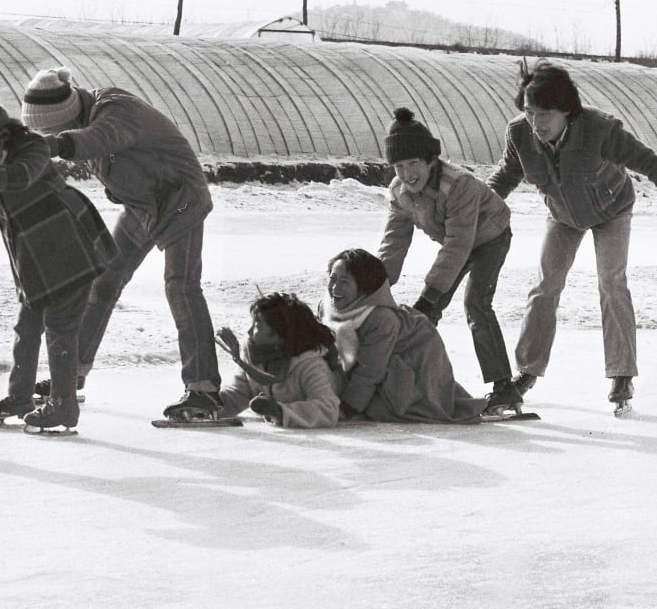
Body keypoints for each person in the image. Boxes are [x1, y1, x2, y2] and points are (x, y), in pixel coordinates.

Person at [20, 68, 222, 420]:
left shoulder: (115, 109)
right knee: (104, 279)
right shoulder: (83, 119)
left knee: (181, 286)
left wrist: (54, 145)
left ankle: (203, 389)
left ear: (66, 115)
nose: (52, 135)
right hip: (144, 206)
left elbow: (101, 138)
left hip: (181, 200)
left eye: (51, 129)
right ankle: (72, 375)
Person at [488, 58, 657, 414]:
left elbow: (649, 163)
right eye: (529, 112)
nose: (535, 123)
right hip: (564, 215)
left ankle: (621, 374)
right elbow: (506, 175)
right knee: (544, 285)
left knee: (611, 281)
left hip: (612, 209)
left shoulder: (599, 129)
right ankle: (527, 370)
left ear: (567, 110)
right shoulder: (519, 134)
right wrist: (478, 207)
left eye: (544, 114)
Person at [0, 92, 115, 433]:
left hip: (70, 246)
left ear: (1, 135)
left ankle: (63, 406)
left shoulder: (33, 148)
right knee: (26, 328)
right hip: (32, 255)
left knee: (60, 327)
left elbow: (22, 176)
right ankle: (20, 396)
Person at [375, 107, 521, 414]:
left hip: (490, 235)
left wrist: (430, 294)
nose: (407, 173)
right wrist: (376, 284)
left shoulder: (459, 185)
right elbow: (394, 242)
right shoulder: (399, 192)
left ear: (430, 159)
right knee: (425, 312)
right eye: (398, 166)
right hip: (456, 242)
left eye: (413, 162)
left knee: (476, 303)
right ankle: (416, 380)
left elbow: (459, 244)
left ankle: (504, 387)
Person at [321, 248, 488, 423]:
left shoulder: (380, 318)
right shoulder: (328, 306)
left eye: (344, 282)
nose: (335, 288)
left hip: (412, 376)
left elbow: (370, 371)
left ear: (363, 287)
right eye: (332, 279)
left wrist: (347, 409)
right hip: (377, 367)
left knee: (376, 407)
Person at [215, 292, 342, 428]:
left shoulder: (309, 364)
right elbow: (240, 392)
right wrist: (211, 405)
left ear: (280, 335)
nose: (248, 331)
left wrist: (280, 412)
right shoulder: (252, 352)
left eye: (257, 326)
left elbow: (328, 408)